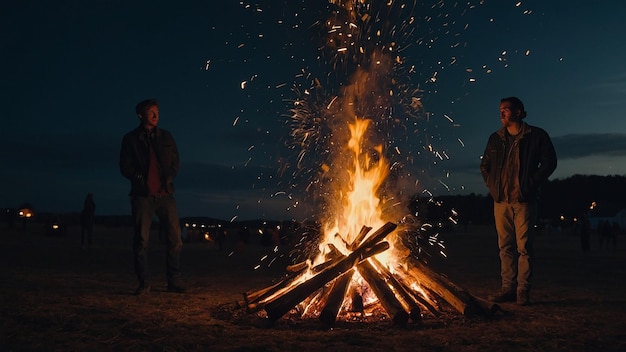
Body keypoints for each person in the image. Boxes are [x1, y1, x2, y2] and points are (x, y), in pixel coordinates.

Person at [480, 97, 557, 306]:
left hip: (524, 200)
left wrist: (530, 185)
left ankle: (523, 289)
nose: (502, 114)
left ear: (519, 112)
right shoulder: (495, 139)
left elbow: (550, 162)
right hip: (501, 201)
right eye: (500, 110)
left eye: (506, 110)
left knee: (524, 247)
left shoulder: (536, 136)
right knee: (504, 246)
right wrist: (493, 187)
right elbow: (484, 165)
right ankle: (508, 288)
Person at [119, 99, 186, 295]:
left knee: (175, 239)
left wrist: (169, 177)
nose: (156, 115)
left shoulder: (166, 136)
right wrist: (137, 177)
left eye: (157, 111)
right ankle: (145, 282)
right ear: (141, 115)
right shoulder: (130, 139)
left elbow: (175, 160)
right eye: (151, 112)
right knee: (141, 241)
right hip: (142, 196)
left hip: (166, 194)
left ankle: (174, 280)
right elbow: (124, 165)